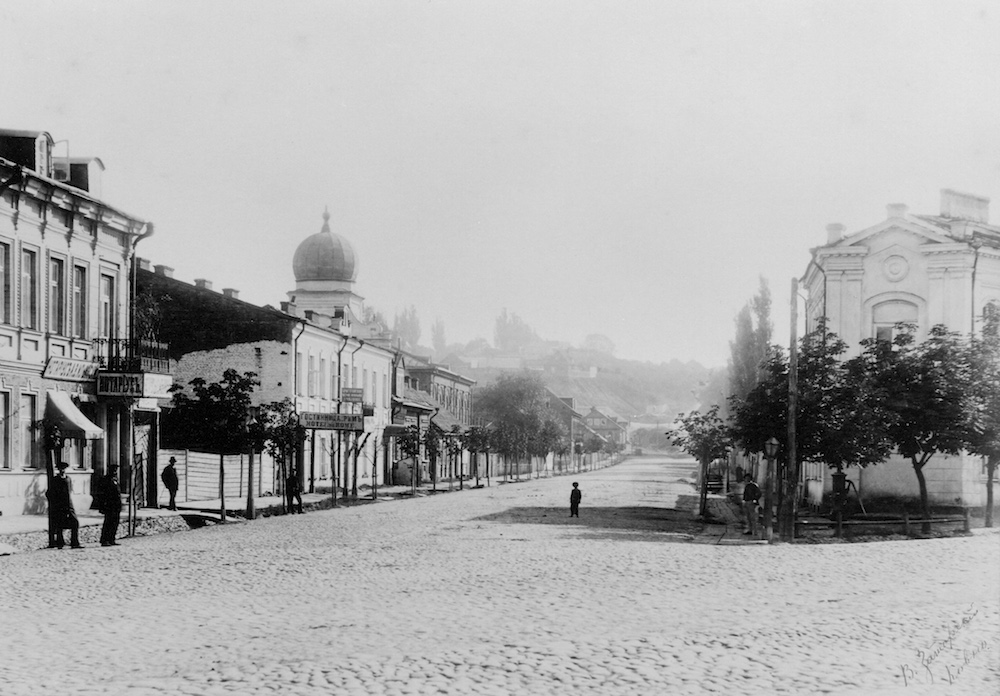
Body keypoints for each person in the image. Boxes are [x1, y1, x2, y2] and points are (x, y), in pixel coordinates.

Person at [47, 462, 82, 549]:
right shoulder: (55, 480)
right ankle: (60, 543)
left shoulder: (68, 479)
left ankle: (74, 543)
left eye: (64, 468)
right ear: (58, 470)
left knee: (75, 523)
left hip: (69, 505)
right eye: (61, 469)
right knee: (59, 525)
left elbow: (70, 491)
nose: (62, 470)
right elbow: (49, 492)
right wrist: (55, 502)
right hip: (59, 505)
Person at [98, 465, 122, 546]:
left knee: (115, 522)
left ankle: (112, 539)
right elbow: (101, 494)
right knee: (108, 522)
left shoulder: (115, 479)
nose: (115, 472)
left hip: (116, 505)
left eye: (116, 470)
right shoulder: (105, 480)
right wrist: (101, 506)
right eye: (113, 470)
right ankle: (104, 540)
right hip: (109, 505)